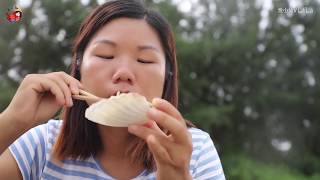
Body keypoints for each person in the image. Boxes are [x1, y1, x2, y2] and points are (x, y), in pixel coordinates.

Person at [0, 0, 225, 179]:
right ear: (78, 66)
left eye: (145, 60)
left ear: (168, 75)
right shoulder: (44, 144)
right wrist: (13, 120)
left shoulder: (193, 151)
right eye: (105, 55)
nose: (124, 72)